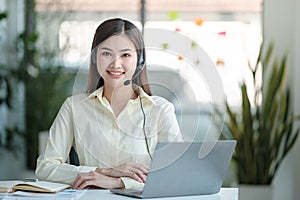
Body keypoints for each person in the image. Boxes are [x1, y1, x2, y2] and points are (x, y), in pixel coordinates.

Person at [35, 18, 182, 190]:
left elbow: (174, 173)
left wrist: (118, 182)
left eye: (126, 55)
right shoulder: (74, 107)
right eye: (106, 53)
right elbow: (45, 167)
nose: (115, 64)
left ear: (140, 60)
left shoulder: (161, 110)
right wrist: (103, 172)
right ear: (94, 57)